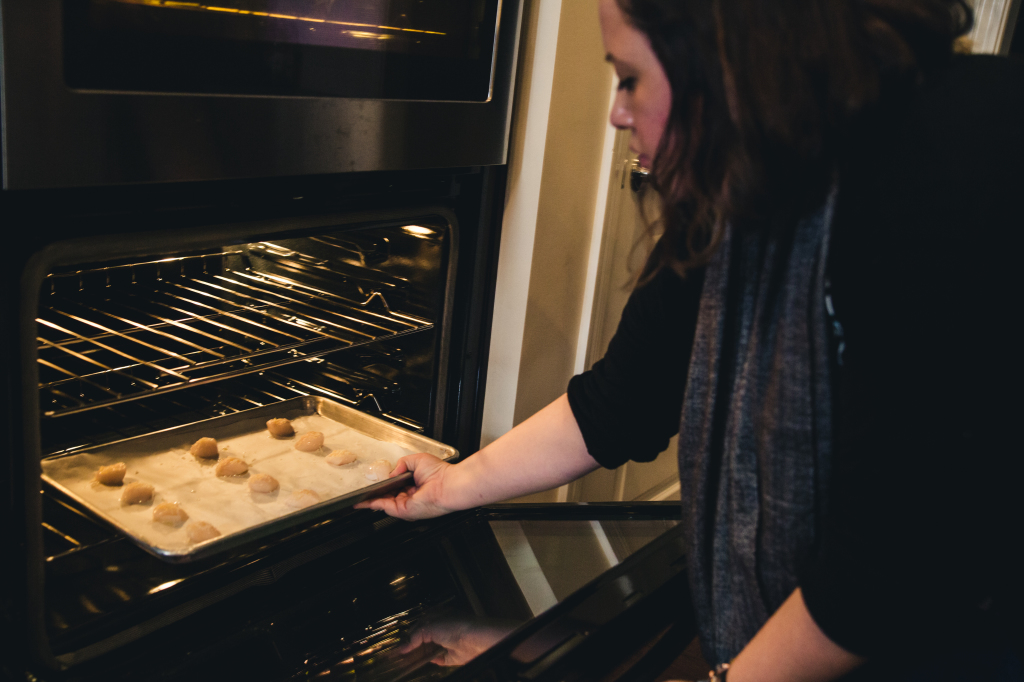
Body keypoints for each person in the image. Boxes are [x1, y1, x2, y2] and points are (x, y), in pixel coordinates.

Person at [358, 0, 1024, 679]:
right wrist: (450, 486)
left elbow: (892, 557)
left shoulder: (955, 153)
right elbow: (622, 402)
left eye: (629, 79)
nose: (618, 111)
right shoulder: (744, 181)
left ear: (724, 63)